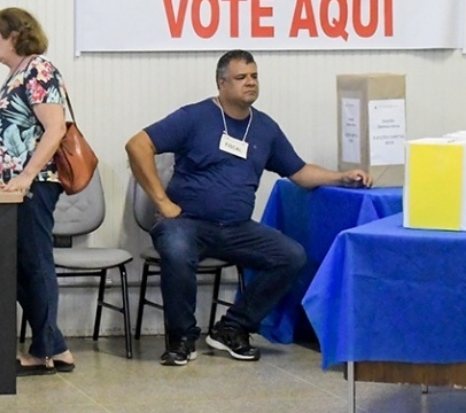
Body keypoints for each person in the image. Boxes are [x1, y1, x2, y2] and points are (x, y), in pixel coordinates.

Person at [125, 50, 371, 366]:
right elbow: (137, 145)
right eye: (241, 77)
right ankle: (182, 339)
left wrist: (341, 177)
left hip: (237, 228)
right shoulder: (195, 117)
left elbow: (298, 171)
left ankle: (232, 328)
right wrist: (161, 201)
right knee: (176, 249)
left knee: (291, 256)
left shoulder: (265, 128)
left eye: (254, 76)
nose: (250, 83)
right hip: (186, 222)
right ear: (221, 83)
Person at [0, 7, 75, 376]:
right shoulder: (19, 73)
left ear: (14, 36)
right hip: (11, 185)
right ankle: (55, 347)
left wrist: (27, 175)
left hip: (34, 186)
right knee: (18, 267)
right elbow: (15, 132)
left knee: (34, 264)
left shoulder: (39, 69)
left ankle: (45, 351)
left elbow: (54, 129)